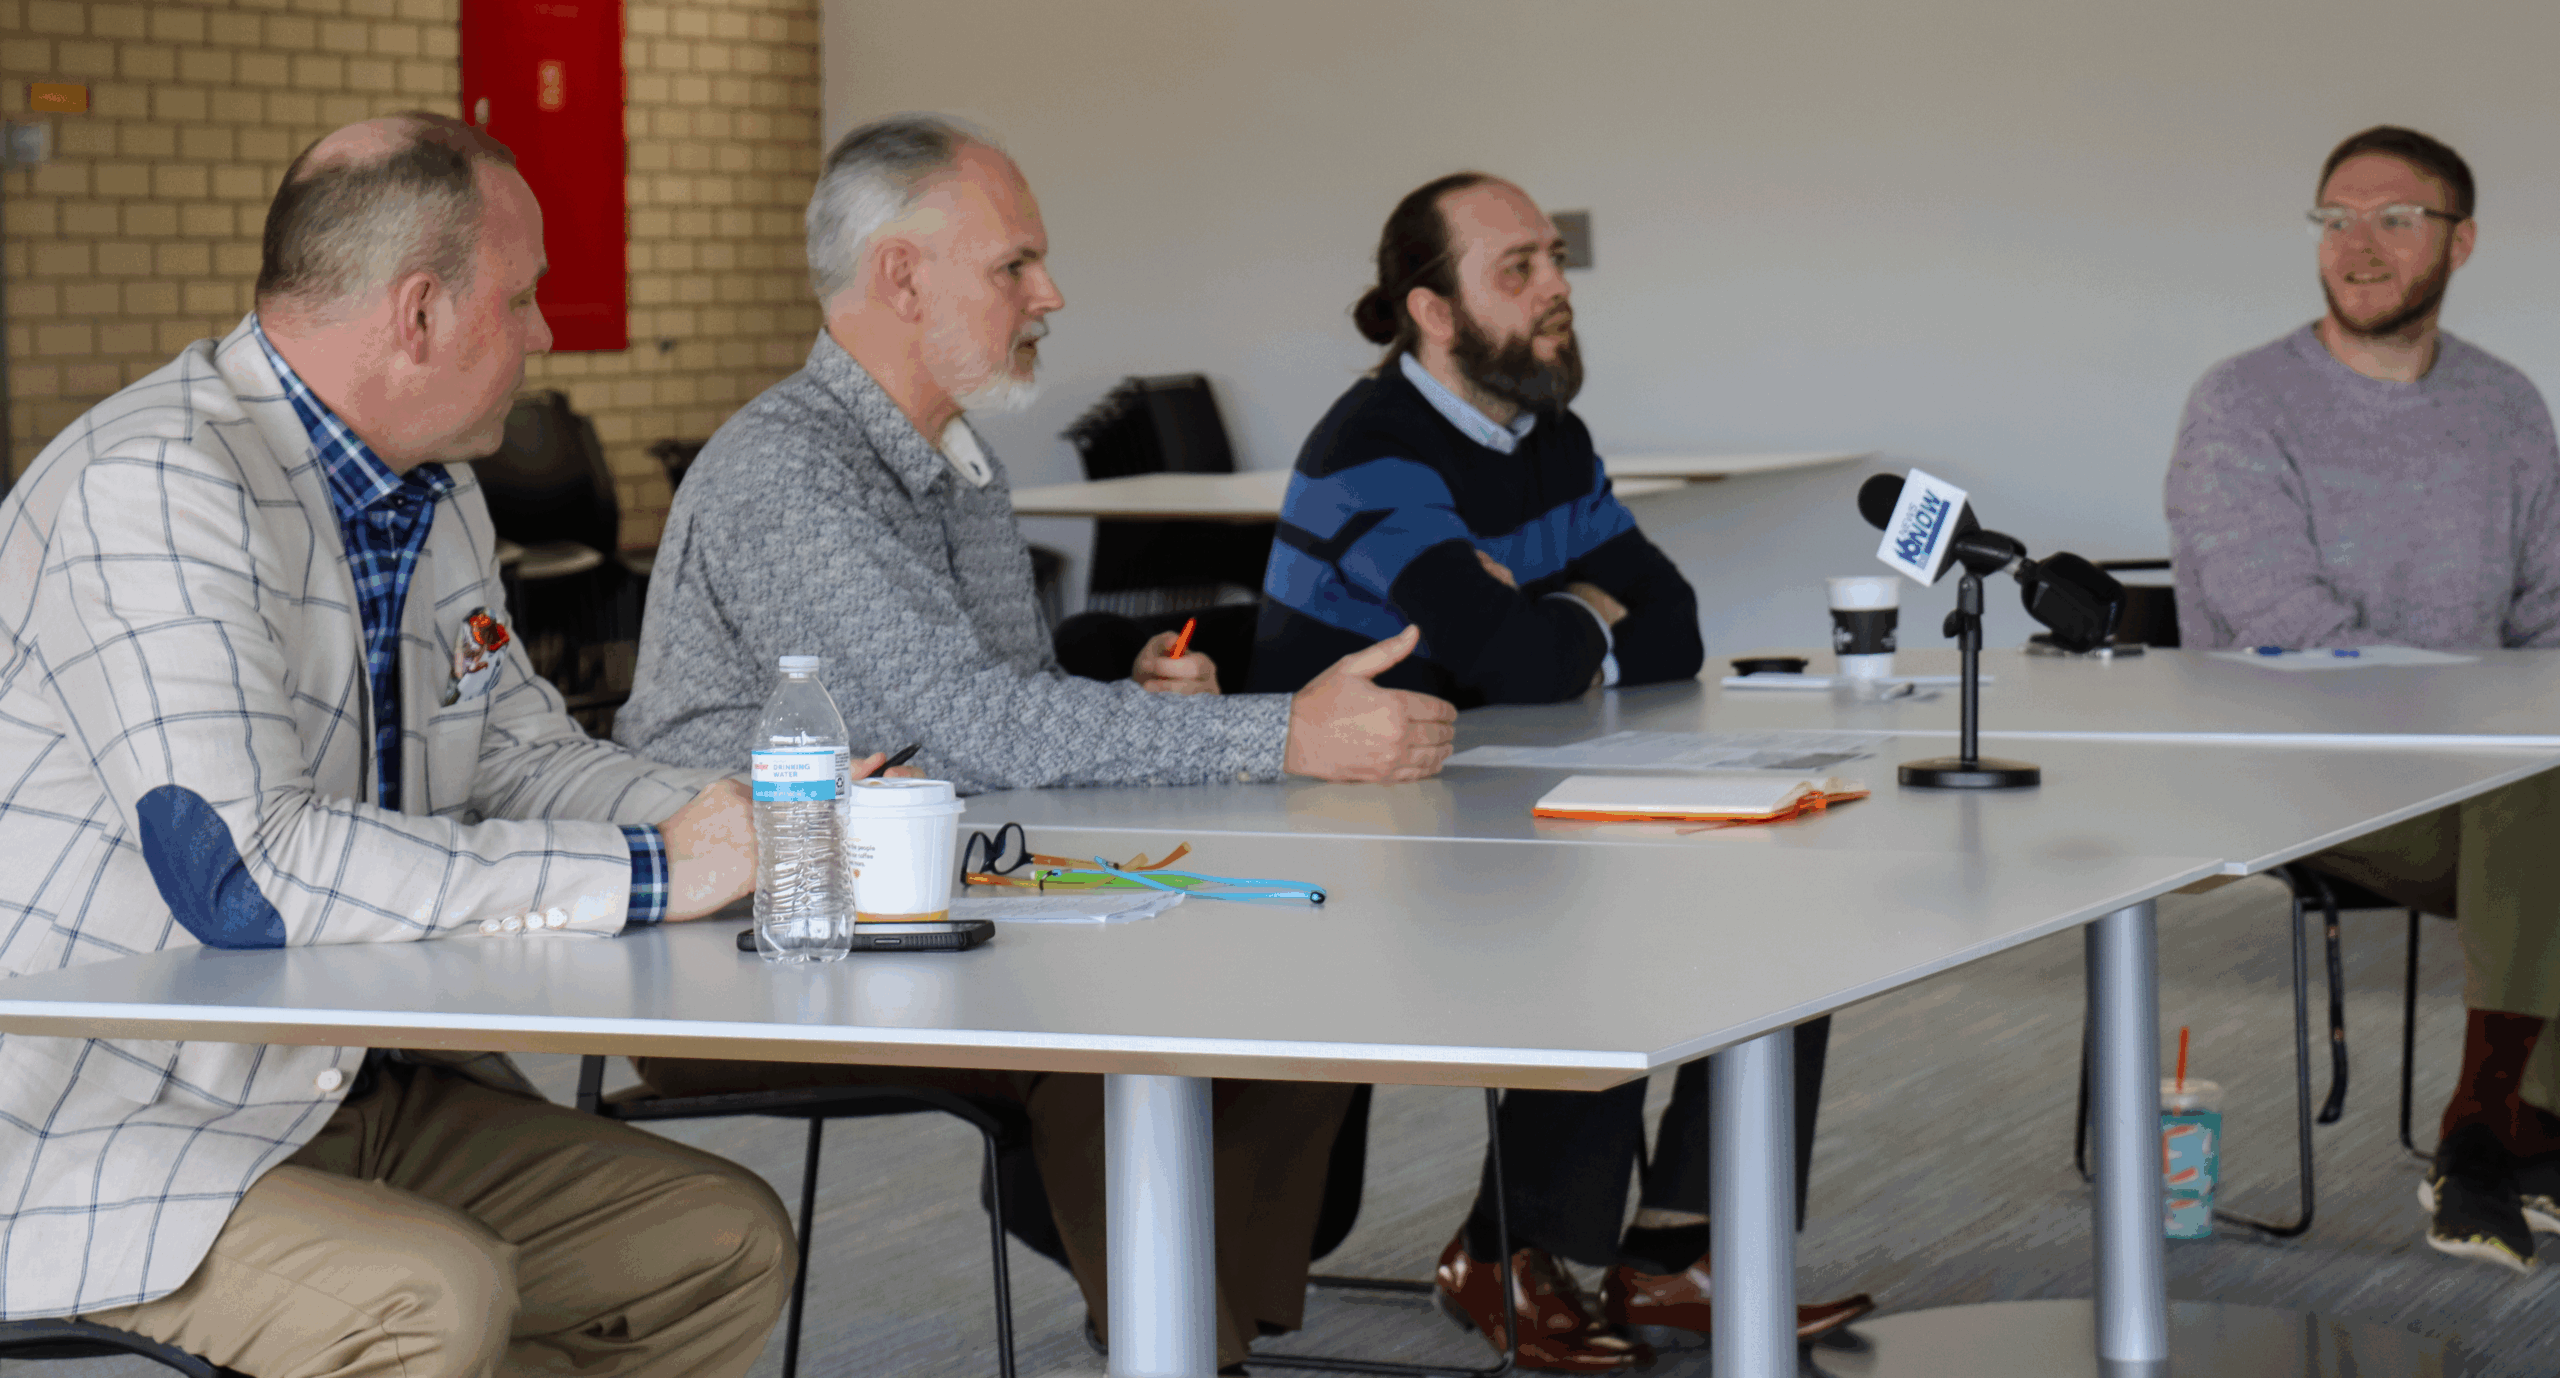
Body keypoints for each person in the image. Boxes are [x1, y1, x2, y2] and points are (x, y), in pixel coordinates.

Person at [618, 114, 1455, 1371]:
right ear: (901, 277)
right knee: (1115, 1023)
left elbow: (990, 704)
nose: (1048, 293)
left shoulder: (953, 456)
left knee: (1290, 941)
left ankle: (1195, 1321)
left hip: (928, 888)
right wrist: (1284, 731)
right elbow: (964, 727)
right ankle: (1182, 1338)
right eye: (1015, 264)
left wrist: (1127, 691)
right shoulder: (788, 475)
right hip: (760, 934)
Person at [0, 113, 800, 1375]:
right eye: (523, 297)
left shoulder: (429, 485)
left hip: (345, 1087)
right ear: (420, 315)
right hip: (113, 1120)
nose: (541, 334)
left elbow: (520, 757)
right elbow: (243, 871)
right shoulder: (152, 485)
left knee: (716, 1239)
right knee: (429, 1297)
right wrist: (652, 870)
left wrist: (765, 808)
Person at [1247, 173, 1867, 1369]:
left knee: (1790, 887)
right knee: (1598, 898)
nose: (1555, 289)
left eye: (1554, 260)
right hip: (1342, 835)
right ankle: (1507, 1252)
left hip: (1488, 792)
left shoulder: (1548, 438)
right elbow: (1520, 662)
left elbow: (1674, 621)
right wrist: (1577, 607)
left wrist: (1551, 614)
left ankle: (1677, 1253)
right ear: (1431, 311)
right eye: (1517, 269)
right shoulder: (1369, 451)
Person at [2167, 124, 2560, 1274]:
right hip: (2304, 776)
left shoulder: (2504, 406)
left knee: (2536, 798)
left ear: (2460, 240)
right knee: (2537, 795)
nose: (2359, 243)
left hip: (2490, 788)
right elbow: (2283, 628)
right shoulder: (2242, 405)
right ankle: (2492, 1129)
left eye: (2396, 218)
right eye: (2336, 217)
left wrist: (2509, 725)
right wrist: (2490, 727)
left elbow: (2550, 618)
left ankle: (2514, 1134)